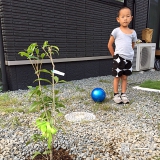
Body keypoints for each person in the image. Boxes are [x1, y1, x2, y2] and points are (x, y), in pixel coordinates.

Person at [108, 6, 137, 104]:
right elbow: (109, 45)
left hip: (128, 59)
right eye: (123, 16)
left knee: (125, 77)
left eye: (127, 16)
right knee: (117, 76)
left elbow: (132, 44)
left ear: (131, 18)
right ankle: (116, 94)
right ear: (118, 19)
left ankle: (123, 94)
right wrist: (114, 56)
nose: (125, 18)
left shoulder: (133, 33)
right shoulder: (116, 31)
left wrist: (129, 53)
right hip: (118, 58)